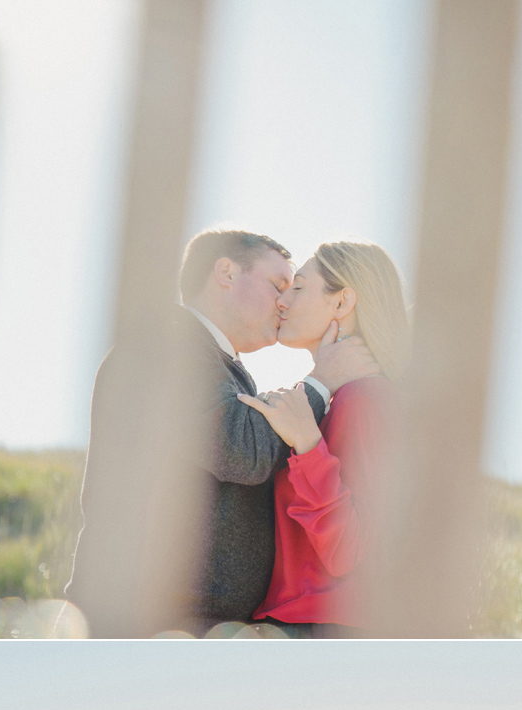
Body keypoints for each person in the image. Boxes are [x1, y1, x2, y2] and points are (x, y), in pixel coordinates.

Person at [65, 229, 331, 635]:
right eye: (277, 284)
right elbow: (242, 450)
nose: (284, 301)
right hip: (143, 625)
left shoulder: (205, 358)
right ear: (225, 272)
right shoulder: (167, 349)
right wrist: (323, 381)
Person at [237, 241, 410, 634]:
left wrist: (309, 446)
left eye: (298, 288)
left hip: (323, 632)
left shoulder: (365, 398)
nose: (283, 301)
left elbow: (348, 548)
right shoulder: (338, 400)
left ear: (342, 302)